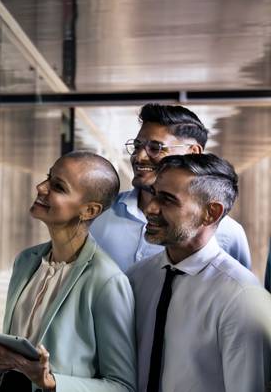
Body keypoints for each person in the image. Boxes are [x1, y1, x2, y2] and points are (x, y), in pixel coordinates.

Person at [105, 154, 270, 392]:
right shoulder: (137, 279)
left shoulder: (241, 298)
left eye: (167, 200)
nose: (150, 208)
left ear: (211, 213)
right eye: (153, 195)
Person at [0, 151, 137, 392]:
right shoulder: (26, 262)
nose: (41, 187)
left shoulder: (106, 281)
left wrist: (51, 382)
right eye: (48, 177)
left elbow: (123, 390)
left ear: (89, 211)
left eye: (58, 186)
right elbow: (17, 349)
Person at [91, 103, 251, 271]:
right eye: (137, 146)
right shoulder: (100, 215)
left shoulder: (228, 233)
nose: (139, 157)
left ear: (193, 153)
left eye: (155, 148)